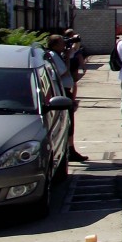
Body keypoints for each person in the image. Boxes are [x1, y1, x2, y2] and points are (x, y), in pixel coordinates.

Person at [47, 34, 88, 162]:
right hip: (61, 92)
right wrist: (67, 60)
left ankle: (70, 149)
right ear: (55, 44)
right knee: (68, 121)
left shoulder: (57, 54)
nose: (64, 44)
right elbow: (63, 71)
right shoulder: (53, 55)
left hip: (65, 91)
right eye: (61, 42)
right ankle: (69, 150)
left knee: (70, 122)